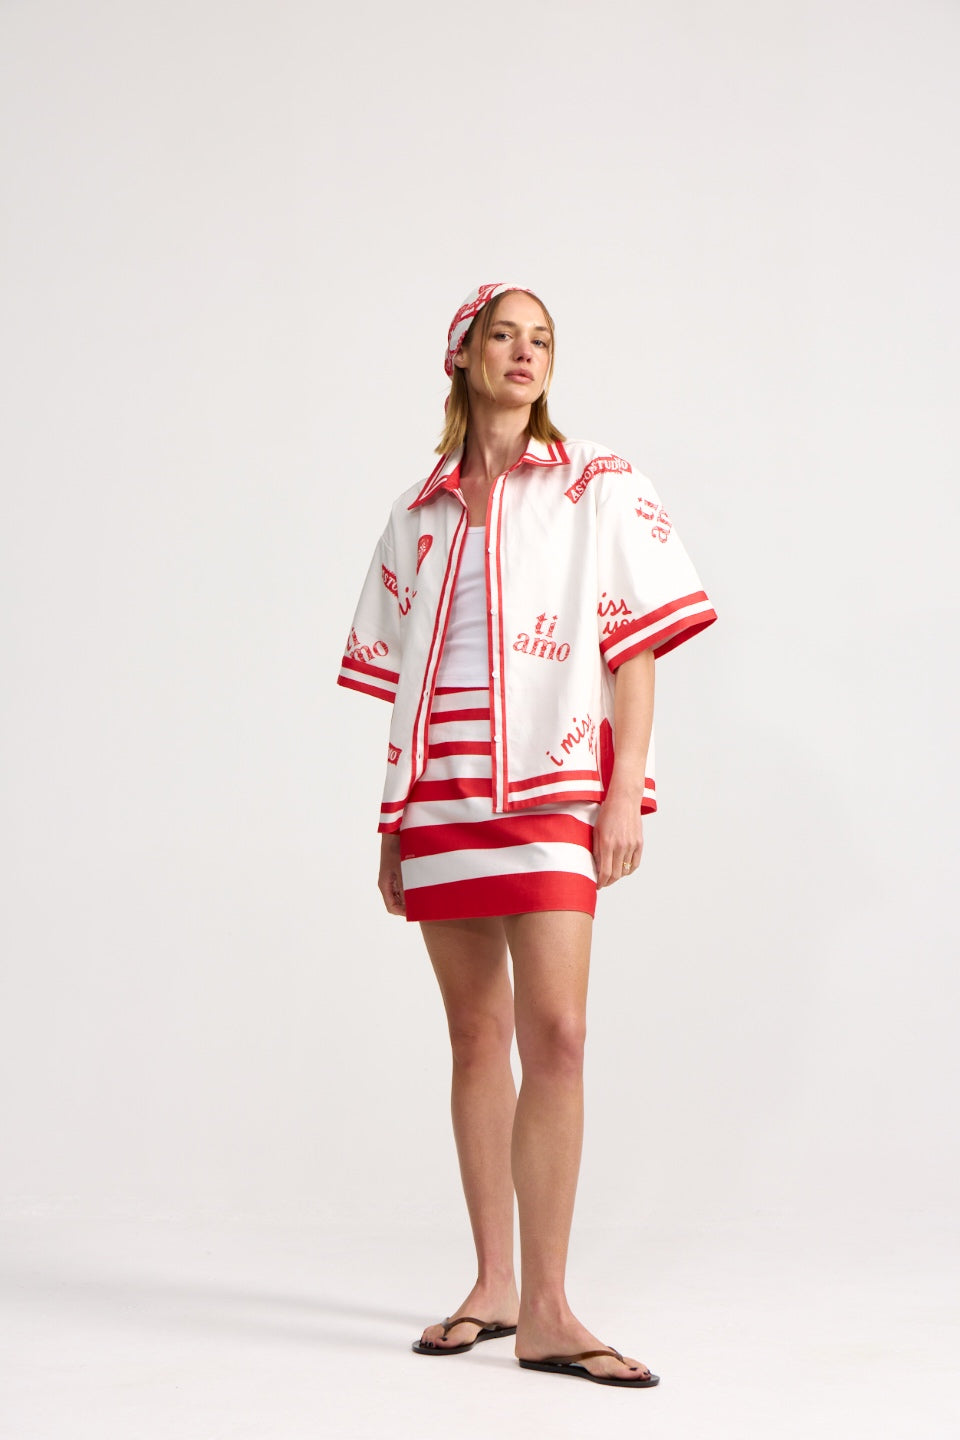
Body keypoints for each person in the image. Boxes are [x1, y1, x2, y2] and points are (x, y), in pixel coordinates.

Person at [337, 282, 717, 1388]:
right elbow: (403, 670)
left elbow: (632, 639)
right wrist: (392, 824)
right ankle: (493, 1286)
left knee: (557, 1035)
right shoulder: (417, 511)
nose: (526, 353)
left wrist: (624, 780)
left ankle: (552, 1308)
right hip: (440, 795)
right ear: (461, 355)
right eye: (504, 334)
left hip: (552, 782)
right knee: (473, 1038)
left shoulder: (597, 480)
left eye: (542, 339)